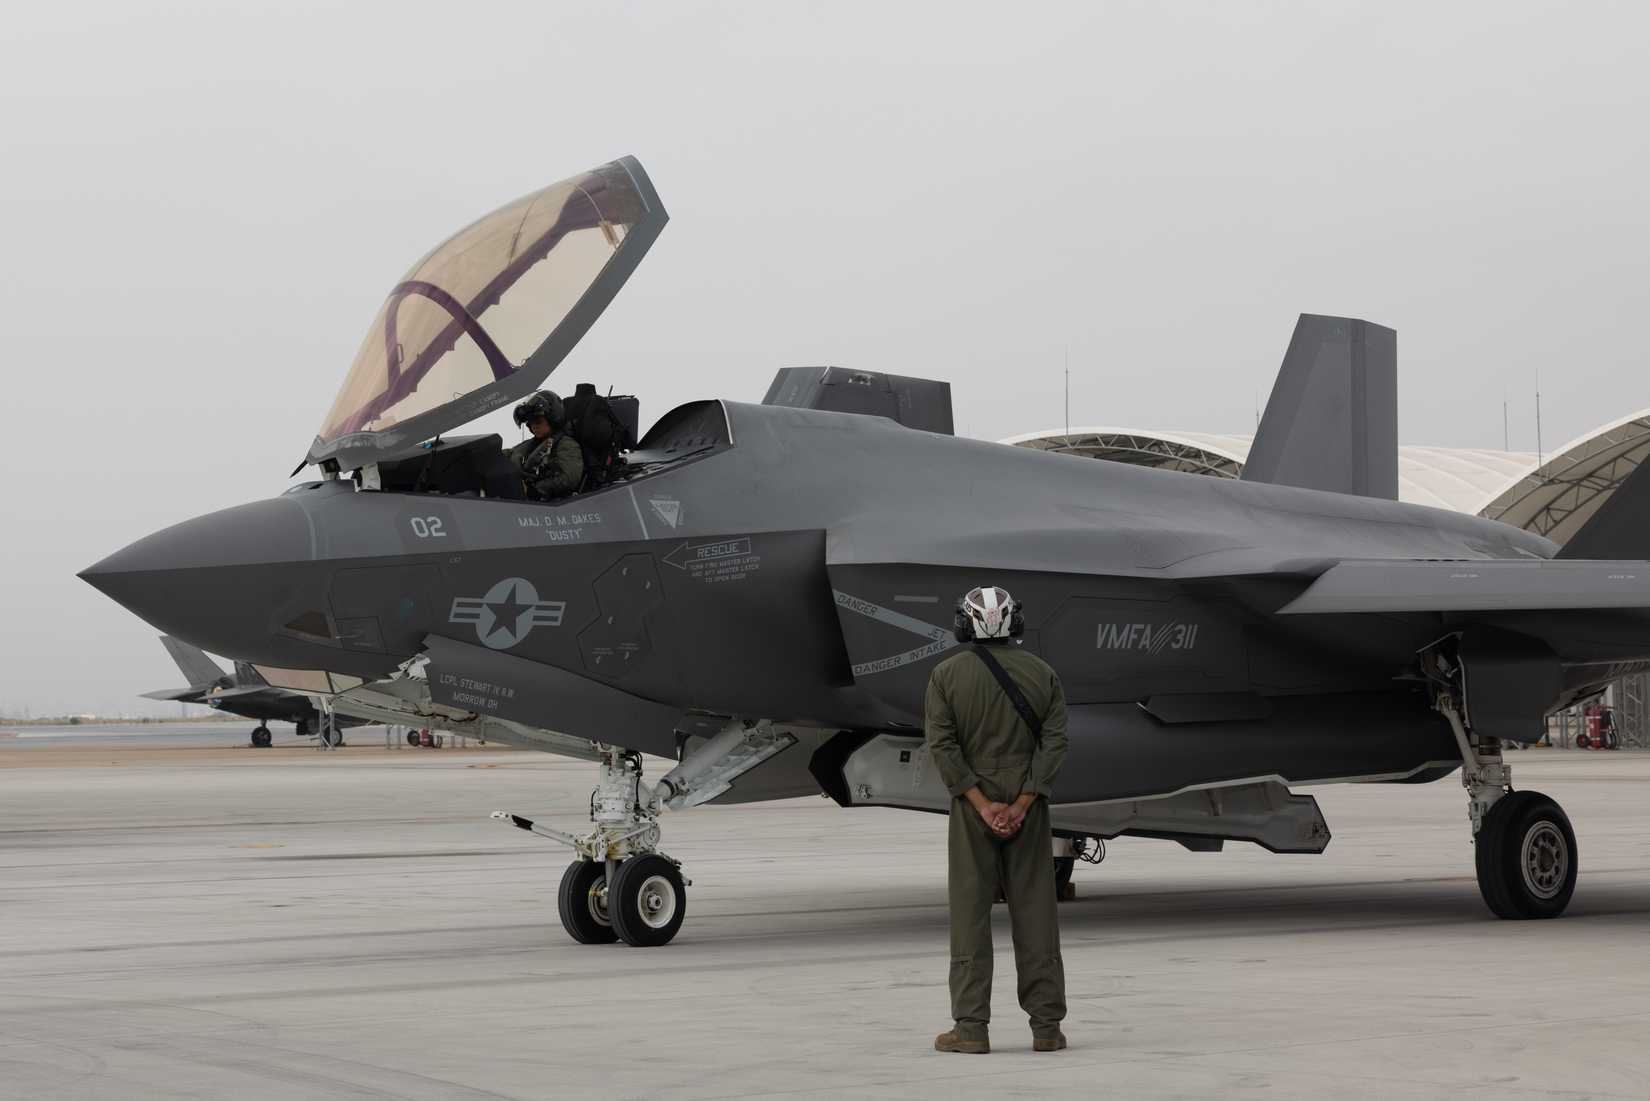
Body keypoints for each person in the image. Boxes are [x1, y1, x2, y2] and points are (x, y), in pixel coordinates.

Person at [925, 585, 1070, 1055]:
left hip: (972, 806)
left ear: (965, 624)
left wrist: (981, 803)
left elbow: (943, 747)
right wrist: (1024, 801)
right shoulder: (1043, 673)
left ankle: (971, 1029)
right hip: (1030, 803)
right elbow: (1055, 743)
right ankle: (1046, 1028)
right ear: (1015, 623)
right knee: (1036, 915)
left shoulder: (946, 675)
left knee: (970, 915)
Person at [508, 391, 584, 501]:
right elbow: (509, 453)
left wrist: (534, 490)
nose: (534, 427)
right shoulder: (532, 444)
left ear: (552, 419)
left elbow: (569, 478)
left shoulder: (566, 444)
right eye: (531, 423)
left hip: (553, 505)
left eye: (538, 422)